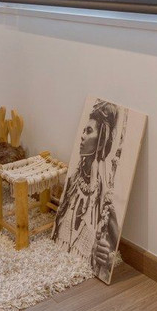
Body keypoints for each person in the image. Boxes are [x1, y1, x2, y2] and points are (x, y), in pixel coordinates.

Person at [55, 100, 123, 276]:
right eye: (84, 130)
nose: (82, 136)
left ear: (100, 142)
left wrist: (107, 257)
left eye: (89, 131)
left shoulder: (104, 202)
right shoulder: (72, 182)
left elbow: (114, 251)